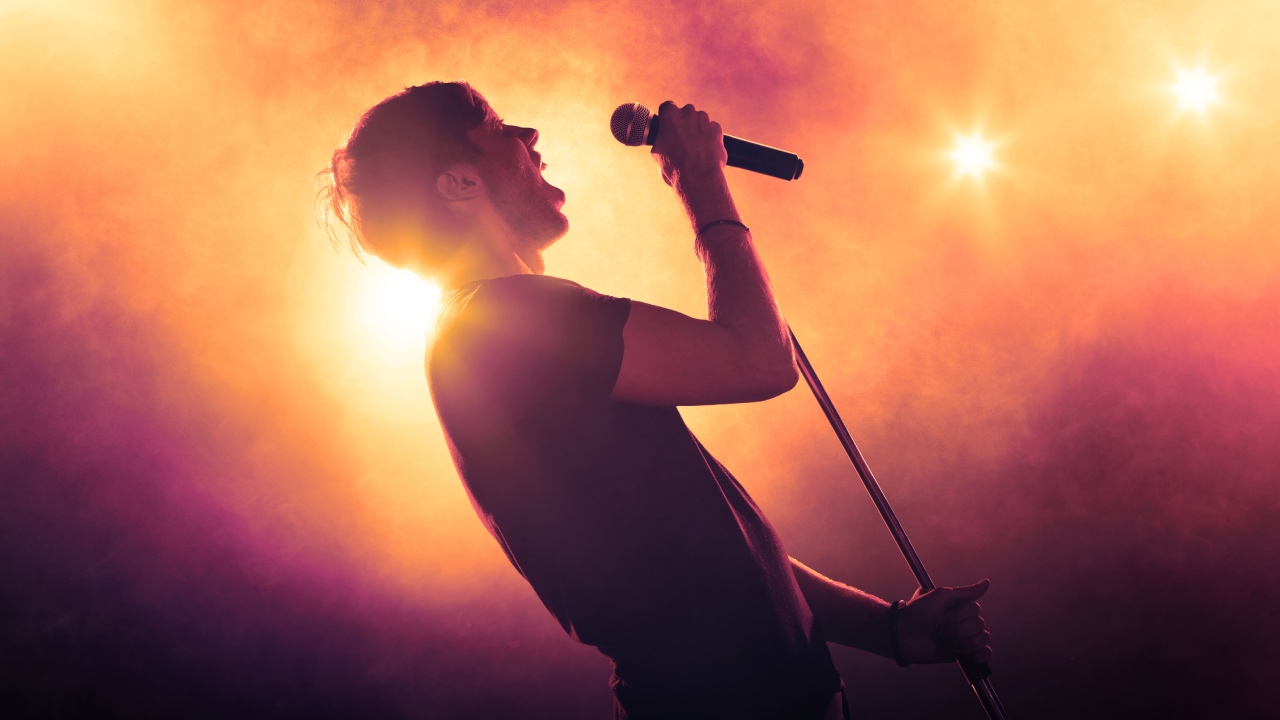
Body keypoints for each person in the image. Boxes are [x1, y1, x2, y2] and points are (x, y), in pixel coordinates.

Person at [320, 82, 992, 720]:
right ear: (459, 182)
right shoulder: (508, 318)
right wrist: (700, 180)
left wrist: (888, 628)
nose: (529, 135)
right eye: (497, 128)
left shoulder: (485, 328)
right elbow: (760, 361)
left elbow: (707, 551)